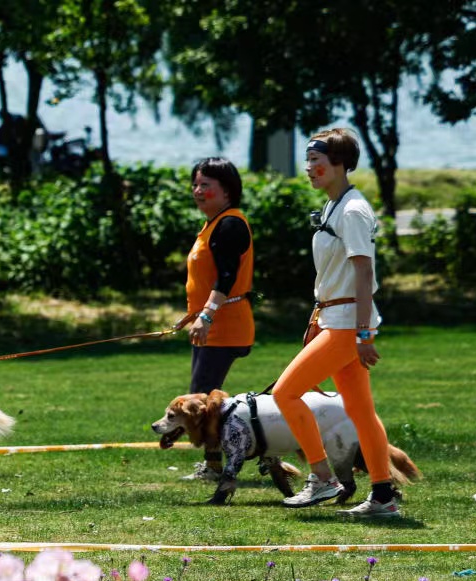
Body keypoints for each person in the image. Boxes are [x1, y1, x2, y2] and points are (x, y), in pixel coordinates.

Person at [273, 128, 401, 517]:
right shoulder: (334, 205)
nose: (310, 168)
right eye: (308, 161)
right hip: (335, 317)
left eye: (318, 162)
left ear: (341, 164)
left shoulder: (352, 210)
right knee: (362, 412)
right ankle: (383, 496)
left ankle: (322, 477)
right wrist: (320, 314)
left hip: (348, 324)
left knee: (284, 393)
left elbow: (364, 274)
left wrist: (363, 333)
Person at [172, 156, 254, 481]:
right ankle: (218, 461)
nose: (198, 190)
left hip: (225, 327)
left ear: (228, 190)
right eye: (195, 184)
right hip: (209, 325)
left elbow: (228, 276)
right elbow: (206, 281)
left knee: (204, 399)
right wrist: (192, 315)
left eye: (206, 185)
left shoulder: (230, 223)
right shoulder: (212, 224)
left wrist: (205, 315)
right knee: (204, 395)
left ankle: (216, 466)